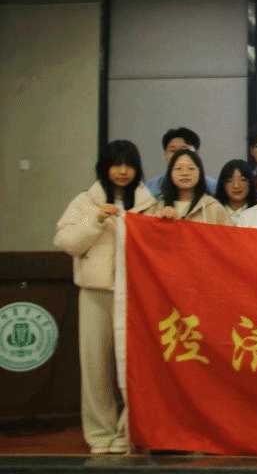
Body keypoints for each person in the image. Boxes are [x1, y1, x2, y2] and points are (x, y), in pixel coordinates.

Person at [53, 140, 156, 454]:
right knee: (95, 366)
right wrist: (96, 220)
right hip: (96, 293)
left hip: (137, 296)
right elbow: (65, 242)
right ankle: (101, 434)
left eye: (129, 165)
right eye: (116, 164)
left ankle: (130, 430)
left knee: (137, 365)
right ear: (104, 168)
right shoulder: (86, 201)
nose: (123, 171)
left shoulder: (148, 202)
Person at [147, 148, 230, 225]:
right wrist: (159, 219)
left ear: (200, 172)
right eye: (178, 168)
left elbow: (229, 235)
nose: (185, 173)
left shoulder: (213, 208)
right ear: (170, 173)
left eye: (191, 168)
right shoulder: (158, 206)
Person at [145, 127, 216, 197]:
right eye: (173, 150)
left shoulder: (214, 187)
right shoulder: (150, 187)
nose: (178, 154)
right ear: (165, 154)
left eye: (184, 149)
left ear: (197, 153)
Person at [214, 159, 256, 225]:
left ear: (250, 183)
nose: (236, 186)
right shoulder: (213, 213)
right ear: (223, 184)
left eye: (242, 180)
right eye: (230, 180)